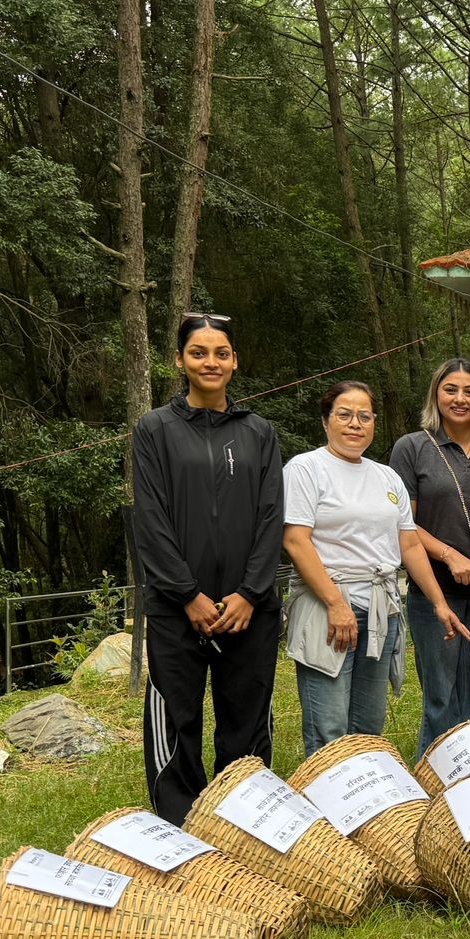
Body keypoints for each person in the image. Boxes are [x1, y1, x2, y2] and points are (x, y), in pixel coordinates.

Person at [131, 314, 284, 825]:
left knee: (246, 719)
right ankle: (182, 823)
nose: (210, 362)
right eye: (198, 353)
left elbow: (271, 517)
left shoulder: (258, 433)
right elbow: (151, 519)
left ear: (235, 361)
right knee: (177, 717)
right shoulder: (155, 430)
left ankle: (242, 820)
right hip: (177, 608)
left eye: (221, 353)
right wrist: (187, 595)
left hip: (248, 608)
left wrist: (250, 593)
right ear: (180, 361)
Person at [284, 382, 470, 756]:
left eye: (364, 416)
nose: (355, 424)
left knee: (368, 724)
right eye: (344, 415)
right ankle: (327, 790)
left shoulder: (386, 477)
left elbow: (410, 544)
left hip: (380, 609)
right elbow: (295, 541)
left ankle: (363, 790)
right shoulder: (306, 469)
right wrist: (335, 604)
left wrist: (439, 603)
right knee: (329, 727)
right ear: (325, 421)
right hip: (328, 605)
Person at [388, 358, 470, 759]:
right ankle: (435, 779)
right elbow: (403, 523)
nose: (460, 399)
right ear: (436, 395)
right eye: (451, 390)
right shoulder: (412, 448)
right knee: (440, 698)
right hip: (434, 593)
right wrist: (449, 556)